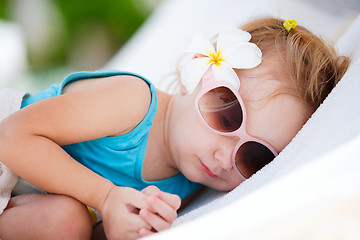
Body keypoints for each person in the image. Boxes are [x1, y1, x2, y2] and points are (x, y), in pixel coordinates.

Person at [0, 17, 350, 240]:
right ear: (196, 71)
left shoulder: (191, 185)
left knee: (65, 224)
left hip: (29, 203)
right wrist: (105, 198)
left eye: (254, 156)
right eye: (228, 115)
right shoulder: (132, 102)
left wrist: (119, 225)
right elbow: (11, 136)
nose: (226, 157)